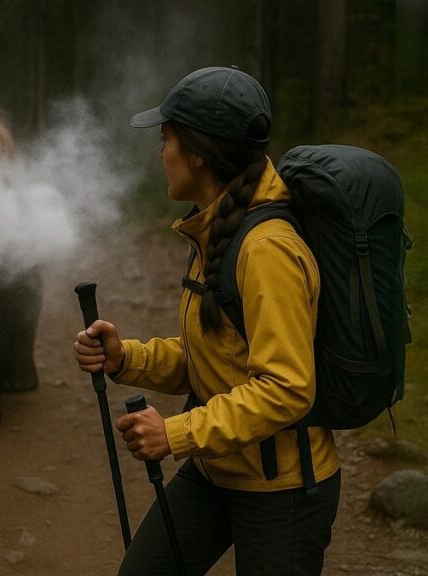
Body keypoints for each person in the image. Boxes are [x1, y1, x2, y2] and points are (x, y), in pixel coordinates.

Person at [73, 66, 340, 576]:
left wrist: (177, 433)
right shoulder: (218, 227)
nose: (160, 152)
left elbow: (287, 387)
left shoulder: (267, 250)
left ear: (197, 152)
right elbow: (216, 353)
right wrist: (126, 357)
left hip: (279, 491)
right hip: (217, 469)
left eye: (166, 138)